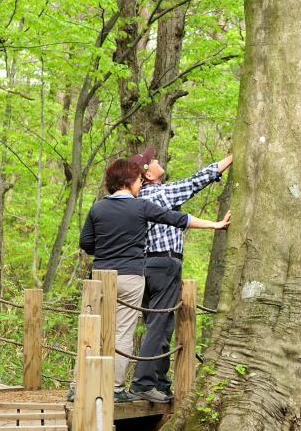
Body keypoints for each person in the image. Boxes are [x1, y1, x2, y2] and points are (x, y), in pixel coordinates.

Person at [75, 157, 231, 403]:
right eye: (137, 178)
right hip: (139, 272)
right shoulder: (147, 202)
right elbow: (183, 213)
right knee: (129, 331)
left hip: (103, 275)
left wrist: (105, 251)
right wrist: (216, 224)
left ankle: (80, 385)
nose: (140, 183)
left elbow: (86, 243)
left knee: (92, 330)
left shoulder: (98, 208)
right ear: (137, 179)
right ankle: (124, 387)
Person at [127, 147, 233, 403]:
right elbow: (196, 181)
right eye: (152, 161)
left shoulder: (140, 198)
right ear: (148, 175)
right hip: (163, 264)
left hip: (147, 265)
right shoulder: (159, 193)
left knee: (162, 326)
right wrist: (231, 158)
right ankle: (143, 383)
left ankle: (160, 384)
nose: (157, 160)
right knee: (158, 325)